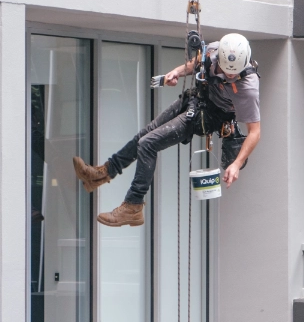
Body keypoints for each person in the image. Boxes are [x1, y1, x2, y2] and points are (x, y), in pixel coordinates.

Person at [73, 33, 260, 227]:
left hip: (211, 117)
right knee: (144, 135)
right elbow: (196, 63)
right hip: (197, 100)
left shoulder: (248, 87)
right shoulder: (213, 51)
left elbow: (255, 131)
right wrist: (176, 72)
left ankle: (133, 205)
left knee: (148, 144)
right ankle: (102, 174)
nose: (229, 76)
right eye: (225, 71)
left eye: (233, 74)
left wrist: (236, 164)